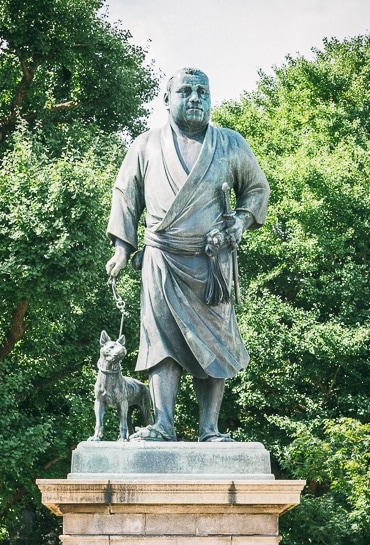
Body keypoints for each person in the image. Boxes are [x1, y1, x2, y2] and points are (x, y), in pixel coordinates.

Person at [106, 67, 269, 442]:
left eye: (202, 92)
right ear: (167, 99)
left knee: (216, 342)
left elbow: (257, 190)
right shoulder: (145, 145)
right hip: (162, 258)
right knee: (161, 341)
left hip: (212, 262)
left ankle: (209, 428)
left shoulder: (230, 144)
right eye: (185, 91)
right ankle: (163, 424)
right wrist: (121, 248)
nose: (195, 98)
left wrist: (240, 223)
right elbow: (125, 197)